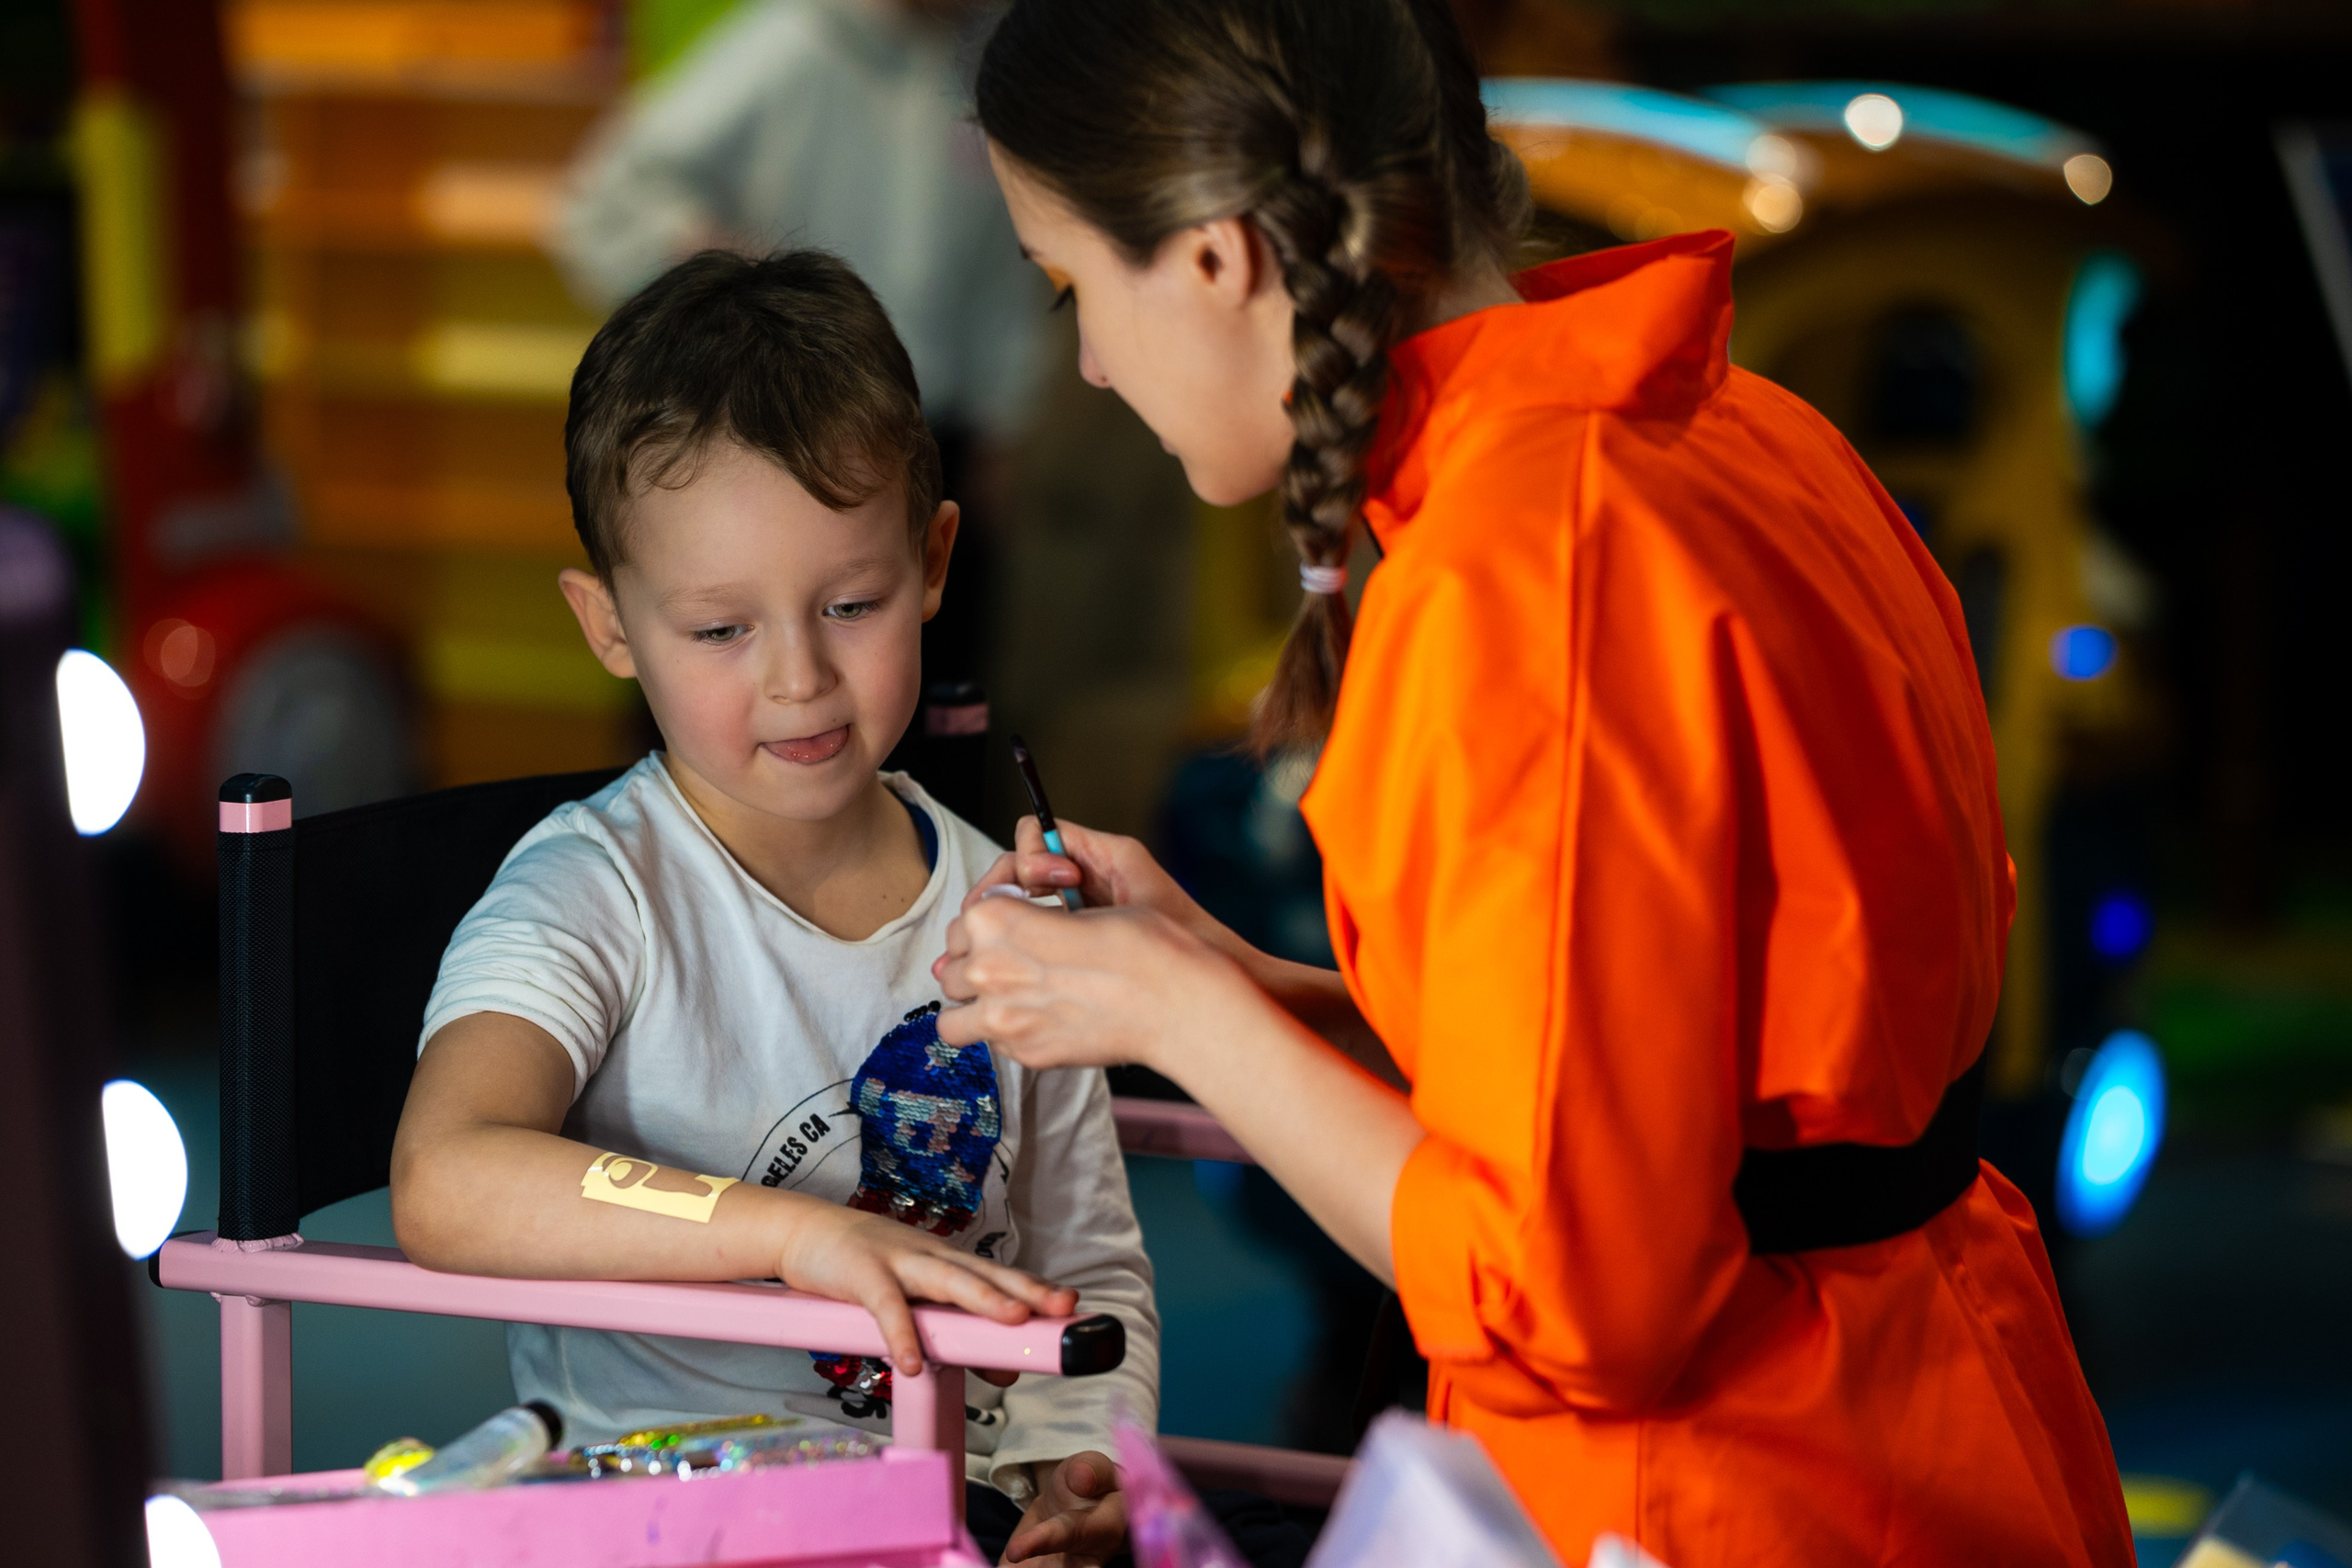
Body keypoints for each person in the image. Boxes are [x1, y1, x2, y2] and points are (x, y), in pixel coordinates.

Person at [932, 2, 2139, 1564]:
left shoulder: (1519, 576)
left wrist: (1180, 1020)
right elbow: (1656, 1074)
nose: (1090, 361)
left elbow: (1579, 1291)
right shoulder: (1741, 429)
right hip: (1946, 1408)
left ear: (1222, 256)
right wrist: (1231, 983)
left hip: (1732, 1487)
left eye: (1074, 286)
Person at [388, 250, 1159, 1566]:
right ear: (610, 624)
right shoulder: (592, 893)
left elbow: (1088, 1266)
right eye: (720, 630)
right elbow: (446, 1175)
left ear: (934, 560)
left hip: (950, 1522)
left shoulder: (1012, 913)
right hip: (664, 1525)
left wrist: (1084, 1471)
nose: (800, 678)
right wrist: (796, 1233)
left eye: (850, 603)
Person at [553, 0, 1042, 691]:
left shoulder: (981, 63)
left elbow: (1002, 264)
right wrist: (730, 271)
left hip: (926, 434)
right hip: (770, 431)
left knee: (926, 698)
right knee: (741, 686)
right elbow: (603, 201)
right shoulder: (789, 46)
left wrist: (1004, 420)